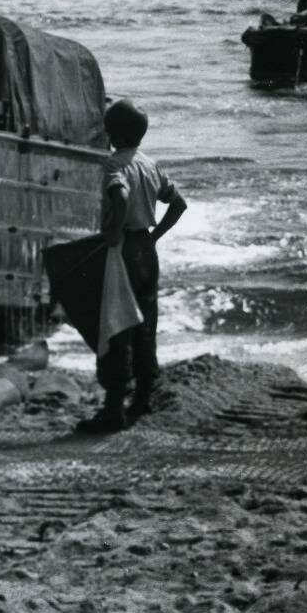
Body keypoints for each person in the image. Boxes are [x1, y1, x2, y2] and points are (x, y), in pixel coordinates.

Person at [78, 99, 187, 434]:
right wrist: (155, 237)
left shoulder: (114, 165)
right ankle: (142, 397)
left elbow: (120, 197)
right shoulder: (151, 165)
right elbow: (179, 204)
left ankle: (113, 408)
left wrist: (112, 233)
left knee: (117, 324)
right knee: (145, 324)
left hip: (123, 249)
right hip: (146, 251)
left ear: (113, 133)